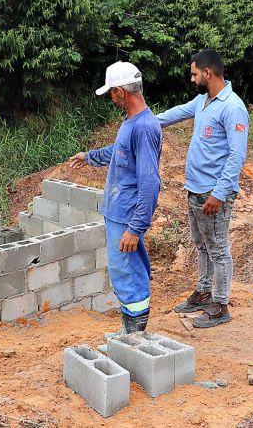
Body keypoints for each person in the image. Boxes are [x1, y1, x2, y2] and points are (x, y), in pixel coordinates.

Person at [156, 49, 249, 328]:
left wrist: (219, 193)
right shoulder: (202, 102)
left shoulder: (232, 107)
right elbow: (170, 116)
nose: (192, 79)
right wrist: (141, 120)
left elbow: (237, 155)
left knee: (218, 248)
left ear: (207, 73)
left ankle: (220, 305)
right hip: (195, 191)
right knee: (202, 245)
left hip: (213, 194)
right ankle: (203, 292)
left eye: (195, 74)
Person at [69, 61, 162, 333]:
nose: (111, 98)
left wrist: (135, 229)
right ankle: (129, 330)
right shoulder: (131, 122)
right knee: (124, 272)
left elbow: (149, 183)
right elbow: (118, 152)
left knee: (128, 274)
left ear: (122, 92)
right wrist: (88, 157)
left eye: (111, 92)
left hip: (127, 217)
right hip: (117, 212)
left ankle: (135, 335)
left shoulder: (144, 127)